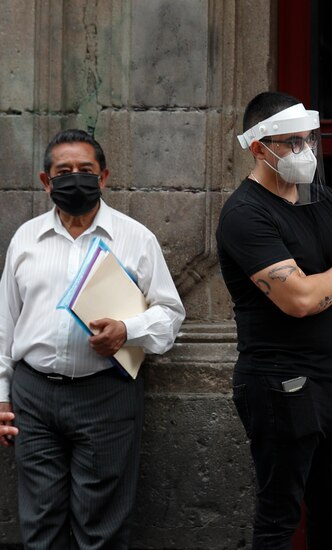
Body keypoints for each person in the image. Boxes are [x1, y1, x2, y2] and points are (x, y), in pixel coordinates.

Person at [0, 128, 186, 548]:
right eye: (63, 171)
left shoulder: (135, 238)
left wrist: (127, 331)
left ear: (103, 178)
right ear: (46, 182)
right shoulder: (25, 239)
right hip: (34, 399)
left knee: (101, 527)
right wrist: (2, 394)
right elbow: (5, 321)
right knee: (40, 524)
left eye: (86, 170)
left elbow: (171, 314)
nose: (75, 178)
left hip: (107, 395)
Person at [217, 91, 332, 549]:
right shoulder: (245, 215)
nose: (303, 152)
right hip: (279, 384)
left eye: (308, 141)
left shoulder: (320, 197)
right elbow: (300, 301)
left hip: (329, 384)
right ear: (259, 148)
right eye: (291, 143)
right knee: (279, 516)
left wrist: (324, 280)